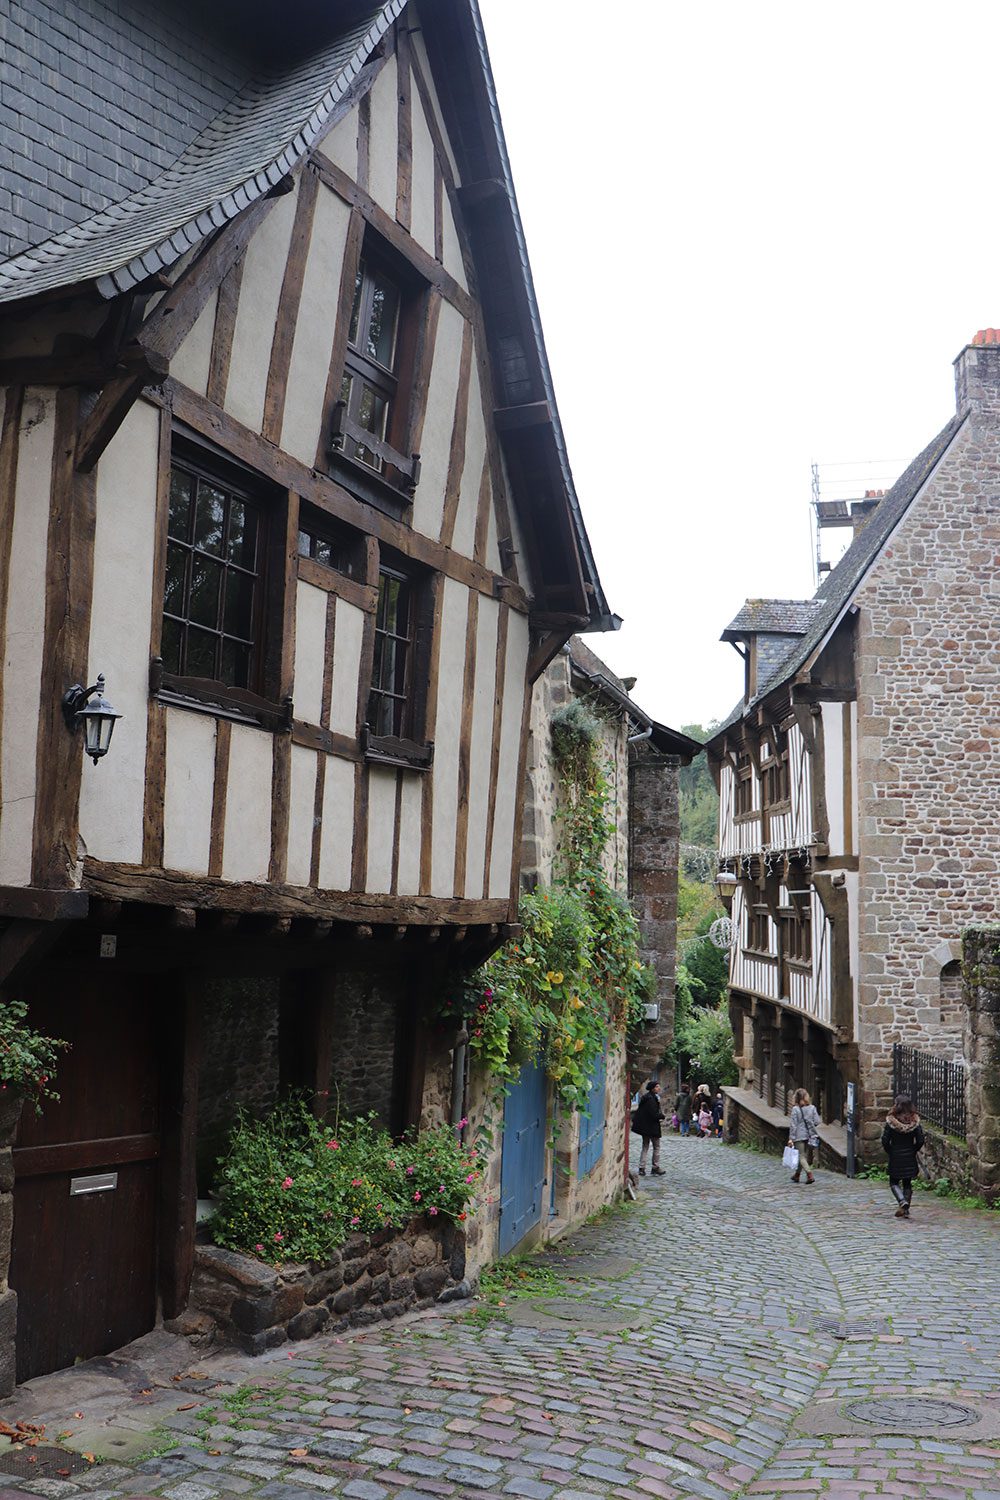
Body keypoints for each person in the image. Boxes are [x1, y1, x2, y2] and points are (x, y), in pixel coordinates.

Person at [881, 1094, 925, 1218]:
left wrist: (890, 1151)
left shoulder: (891, 1122)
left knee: (894, 1182)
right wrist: (913, 1150)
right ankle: (905, 1208)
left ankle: (902, 1201)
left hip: (895, 1155)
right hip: (909, 1155)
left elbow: (885, 1140)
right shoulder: (914, 1121)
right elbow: (920, 1140)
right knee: (907, 1182)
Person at [788, 1087, 821, 1184]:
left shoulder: (795, 1109)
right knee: (803, 1156)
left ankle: (809, 1175)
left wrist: (791, 1138)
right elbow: (817, 1121)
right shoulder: (812, 1108)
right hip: (810, 1135)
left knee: (801, 1156)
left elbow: (793, 1125)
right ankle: (797, 1175)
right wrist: (810, 1126)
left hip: (799, 1136)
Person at [635, 1080, 666, 1175]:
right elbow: (654, 1114)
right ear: (653, 1088)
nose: (659, 1088)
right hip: (652, 1127)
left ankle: (642, 1167)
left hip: (645, 1127)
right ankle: (655, 1167)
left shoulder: (645, 1098)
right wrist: (661, 1116)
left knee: (645, 1146)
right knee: (656, 1147)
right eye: (657, 1087)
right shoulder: (651, 1099)